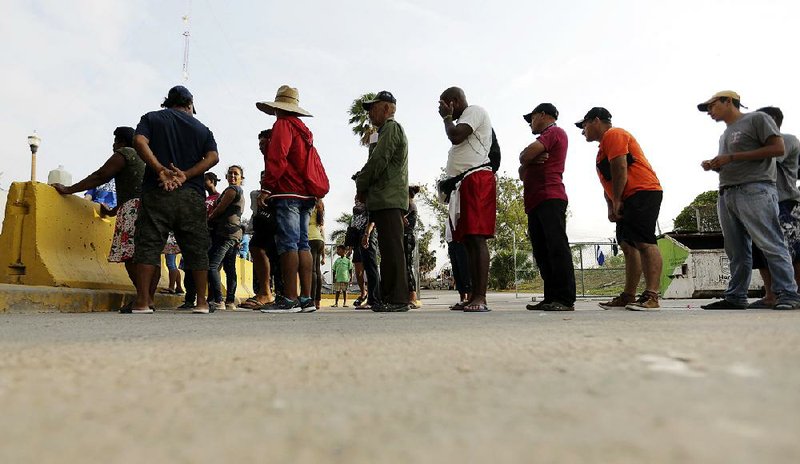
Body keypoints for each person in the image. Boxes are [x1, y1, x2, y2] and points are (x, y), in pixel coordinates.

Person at [697, 91, 800, 310]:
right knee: (736, 249)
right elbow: (735, 162)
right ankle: (736, 295)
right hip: (728, 192)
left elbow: (777, 148)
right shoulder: (725, 134)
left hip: (755, 189)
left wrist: (731, 158)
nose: (709, 112)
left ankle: (788, 294)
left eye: (712, 106)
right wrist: (717, 165)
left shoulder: (757, 119)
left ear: (728, 101)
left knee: (770, 242)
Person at [132, 85, 219, 314]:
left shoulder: (151, 118)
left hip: (156, 190)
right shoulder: (202, 129)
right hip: (191, 194)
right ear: (190, 105)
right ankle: (201, 302)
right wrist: (186, 175)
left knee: (149, 245)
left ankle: (142, 302)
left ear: (167, 102)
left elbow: (139, 141)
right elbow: (213, 157)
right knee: (196, 249)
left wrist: (160, 169)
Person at [576, 107, 664, 311]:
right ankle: (628, 295)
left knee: (644, 241)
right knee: (627, 245)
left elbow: (620, 167)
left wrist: (616, 200)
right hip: (625, 197)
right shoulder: (601, 149)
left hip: (642, 191)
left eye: (584, 125)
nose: (583, 131)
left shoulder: (614, 134)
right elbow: (608, 180)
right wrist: (610, 205)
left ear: (596, 120)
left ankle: (652, 295)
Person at [52, 126, 147, 307]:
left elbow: (101, 175)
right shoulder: (144, 157)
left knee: (130, 255)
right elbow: (135, 186)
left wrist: (69, 189)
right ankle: (147, 298)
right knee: (148, 256)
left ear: (121, 142)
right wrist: (113, 211)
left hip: (133, 209)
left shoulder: (125, 153)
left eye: (115, 141)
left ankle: (142, 299)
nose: (113, 145)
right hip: (151, 209)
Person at [256, 85, 318, 313]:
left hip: (288, 192)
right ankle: (306, 298)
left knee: (288, 243)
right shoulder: (303, 129)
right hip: (306, 193)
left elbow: (278, 159)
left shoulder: (282, 125)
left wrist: (267, 188)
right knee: (303, 243)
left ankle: (290, 298)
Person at [438, 87, 496, 312]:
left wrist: (446, 118)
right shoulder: (463, 117)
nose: (441, 109)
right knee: (468, 241)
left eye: (444, 104)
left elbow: (455, 136)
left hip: (477, 179)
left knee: (477, 238)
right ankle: (472, 294)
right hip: (463, 183)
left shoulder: (474, 111)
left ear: (453, 102)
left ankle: (481, 296)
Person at [519, 103, 576, 311]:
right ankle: (551, 296)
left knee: (556, 248)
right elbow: (521, 170)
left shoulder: (555, 132)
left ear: (543, 115)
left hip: (550, 196)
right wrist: (530, 161)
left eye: (532, 118)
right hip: (535, 201)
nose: (530, 124)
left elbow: (524, 156)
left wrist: (528, 158)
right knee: (542, 252)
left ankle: (565, 298)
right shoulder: (541, 140)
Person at [356, 90, 410, 312]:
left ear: (386, 108)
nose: (370, 113)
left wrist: (361, 183)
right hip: (383, 199)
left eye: (373, 107)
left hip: (389, 198)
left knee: (392, 250)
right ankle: (389, 298)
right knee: (387, 251)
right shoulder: (382, 131)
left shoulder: (391, 128)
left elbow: (380, 159)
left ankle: (398, 299)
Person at [749, 107, 800, 308]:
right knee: (762, 252)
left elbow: (765, 161)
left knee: (790, 250)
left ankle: (794, 293)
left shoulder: (785, 140)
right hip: (761, 204)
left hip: (785, 202)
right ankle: (770, 295)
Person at [179, 171, 221, 309]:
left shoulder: (219, 198)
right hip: (193, 234)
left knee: (204, 267)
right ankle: (189, 299)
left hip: (209, 236)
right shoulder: (201, 197)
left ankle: (210, 299)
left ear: (211, 181)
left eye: (205, 180)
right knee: (188, 268)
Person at [207, 165, 246, 311]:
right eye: (230, 173)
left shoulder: (232, 190)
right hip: (235, 234)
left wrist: (209, 219)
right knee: (230, 268)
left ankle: (218, 300)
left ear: (241, 178)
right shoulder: (239, 192)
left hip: (225, 233)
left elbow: (220, 209)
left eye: (236, 174)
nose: (233, 176)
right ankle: (230, 301)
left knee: (212, 266)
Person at [346, 196, 379, 310]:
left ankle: (373, 299)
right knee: (362, 269)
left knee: (370, 267)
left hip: (367, 236)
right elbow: (352, 228)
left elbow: (372, 220)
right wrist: (350, 247)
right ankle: (366, 295)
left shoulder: (369, 205)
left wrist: (367, 234)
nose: (356, 199)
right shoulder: (355, 213)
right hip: (358, 240)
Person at [404, 186, 421, 308]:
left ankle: (413, 297)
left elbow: (401, 219)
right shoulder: (409, 205)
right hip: (405, 237)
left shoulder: (409, 205)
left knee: (407, 267)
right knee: (405, 267)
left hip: (407, 237)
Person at [308, 198, 326, 310]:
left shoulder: (310, 206)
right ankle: (318, 300)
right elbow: (322, 230)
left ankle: (312, 299)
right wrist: (324, 254)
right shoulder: (320, 208)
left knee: (312, 271)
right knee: (317, 271)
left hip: (310, 238)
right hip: (319, 240)